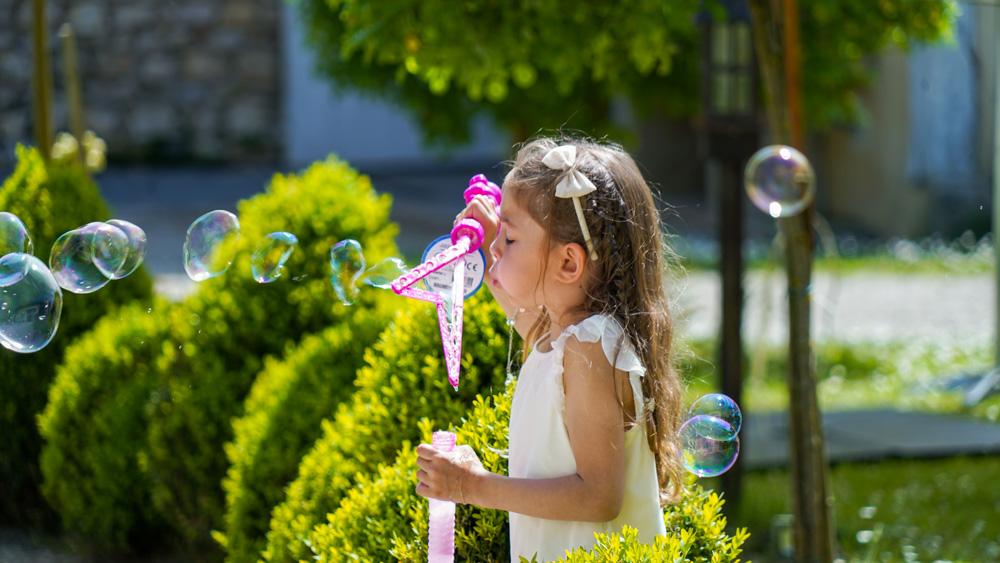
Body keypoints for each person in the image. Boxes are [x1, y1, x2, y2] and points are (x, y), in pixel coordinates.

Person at [415, 136, 684, 562]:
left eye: (512, 237)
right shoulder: (560, 336)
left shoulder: (589, 348)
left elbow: (599, 497)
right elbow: (520, 313)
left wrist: (474, 486)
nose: (498, 248)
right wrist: (489, 240)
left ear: (568, 263)